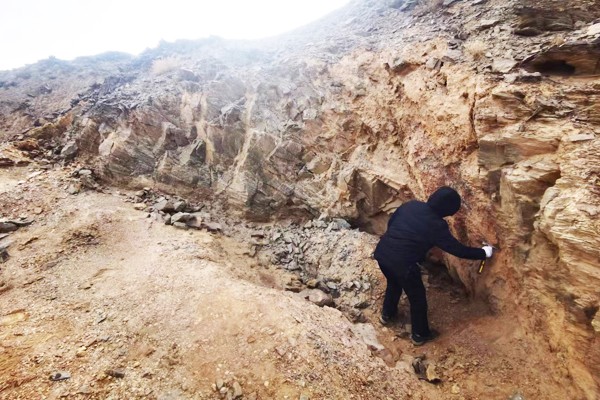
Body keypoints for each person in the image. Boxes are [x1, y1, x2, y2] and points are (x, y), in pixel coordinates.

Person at [373, 186, 493, 345]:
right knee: (417, 298)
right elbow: (456, 249)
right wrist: (483, 253)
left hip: (382, 253)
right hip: (403, 264)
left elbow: (392, 224)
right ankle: (420, 335)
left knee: (394, 283)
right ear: (447, 210)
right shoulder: (437, 225)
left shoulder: (411, 205)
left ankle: (387, 315)